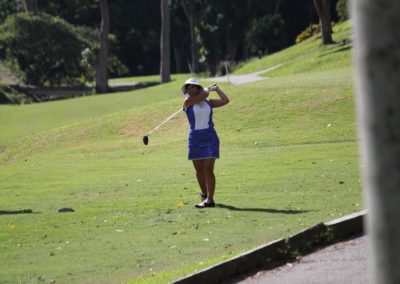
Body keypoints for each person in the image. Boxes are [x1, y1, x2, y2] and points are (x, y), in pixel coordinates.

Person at [181, 78, 230, 208]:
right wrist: (208, 90)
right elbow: (205, 94)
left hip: (210, 136)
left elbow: (225, 100)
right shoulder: (188, 102)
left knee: (208, 169)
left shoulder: (208, 102)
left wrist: (217, 89)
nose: (190, 90)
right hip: (195, 138)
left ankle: (210, 199)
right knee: (199, 170)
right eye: (188, 88)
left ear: (198, 88)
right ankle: (203, 194)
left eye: (193, 87)